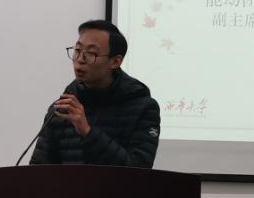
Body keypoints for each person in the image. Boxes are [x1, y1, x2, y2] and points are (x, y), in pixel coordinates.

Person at [30, 19, 160, 168]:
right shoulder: (61, 109)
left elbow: (139, 170)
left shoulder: (143, 108)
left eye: (91, 53)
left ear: (115, 61)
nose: (80, 60)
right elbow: (38, 171)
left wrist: (88, 132)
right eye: (77, 50)